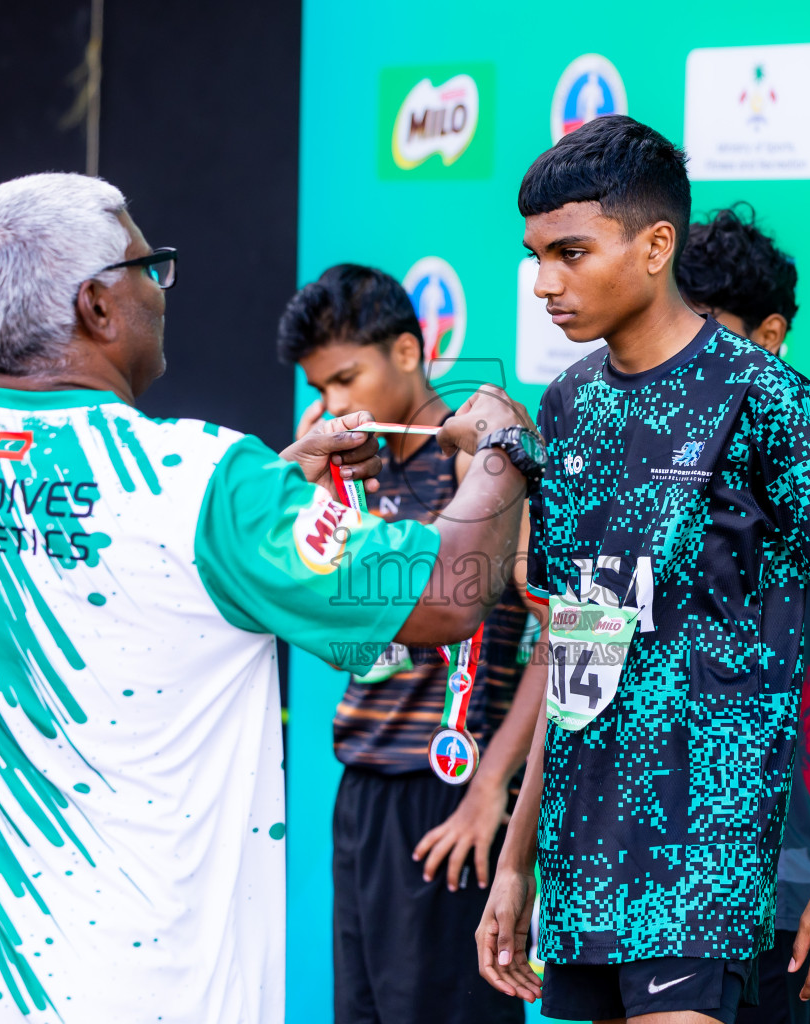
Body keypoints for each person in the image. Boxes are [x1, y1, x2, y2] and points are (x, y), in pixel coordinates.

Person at [0, 173, 536, 1024]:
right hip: (147, 987)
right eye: (146, 267)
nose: (161, 290)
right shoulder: (203, 484)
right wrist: (501, 443)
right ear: (96, 306)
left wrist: (277, 498)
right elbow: (452, 598)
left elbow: (132, 562)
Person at [474, 116, 810, 1024]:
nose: (545, 283)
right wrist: (518, 860)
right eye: (535, 256)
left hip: (709, 861)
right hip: (589, 856)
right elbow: (579, 648)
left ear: (656, 245)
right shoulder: (571, 402)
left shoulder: (763, 394)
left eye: (572, 253)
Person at [276, 264, 547, 1024]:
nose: (332, 403)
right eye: (320, 387)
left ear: (405, 351)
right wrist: (303, 474)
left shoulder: (477, 462)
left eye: (345, 378)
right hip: (362, 787)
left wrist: (490, 792)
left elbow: (560, 638)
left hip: (445, 795)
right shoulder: (338, 469)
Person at [678, 203, 810, 1024]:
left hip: (772, 894)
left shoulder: (797, 472)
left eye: (705, 327)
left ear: (770, 335)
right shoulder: (640, 453)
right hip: (645, 886)